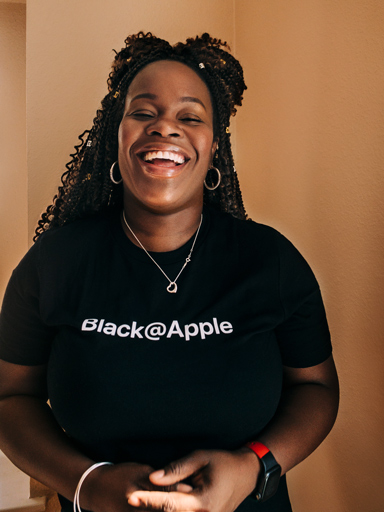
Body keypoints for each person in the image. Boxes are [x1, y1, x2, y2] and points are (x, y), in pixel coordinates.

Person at [0, 32, 339, 512]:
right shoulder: (53, 264)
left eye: (189, 116)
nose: (165, 127)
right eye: (143, 112)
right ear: (116, 135)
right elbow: (10, 399)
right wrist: (87, 484)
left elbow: (318, 388)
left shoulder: (271, 261)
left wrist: (254, 465)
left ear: (213, 146)